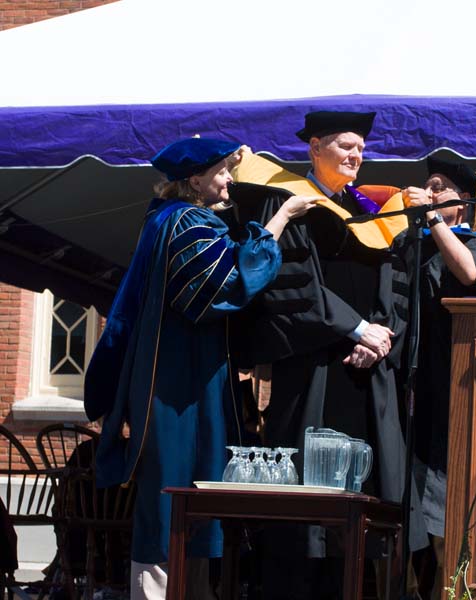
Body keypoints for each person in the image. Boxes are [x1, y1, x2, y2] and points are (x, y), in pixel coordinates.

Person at [83, 137, 317, 600]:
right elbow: (224, 286)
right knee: (174, 493)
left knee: (180, 493)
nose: (229, 179)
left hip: (174, 375)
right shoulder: (188, 221)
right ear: (194, 179)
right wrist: (281, 218)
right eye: (221, 171)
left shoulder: (162, 219)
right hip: (178, 382)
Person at [227, 110, 427, 598]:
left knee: (367, 511)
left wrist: (381, 339)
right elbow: (291, 288)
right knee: (309, 519)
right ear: (315, 147)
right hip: (316, 369)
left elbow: (398, 286)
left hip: (367, 376)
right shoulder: (291, 204)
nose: (356, 155)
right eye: (344, 146)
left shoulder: (370, 212)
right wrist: (354, 330)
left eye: (360, 148)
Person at [399, 156, 476, 599]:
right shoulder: (414, 244)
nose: (430, 192)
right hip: (416, 393)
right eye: (427, 184)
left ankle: (458, 587)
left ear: (464, 203)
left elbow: (467, 273)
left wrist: (433, 222)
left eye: (441, 187)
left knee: (450, 508)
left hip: (459, 396)